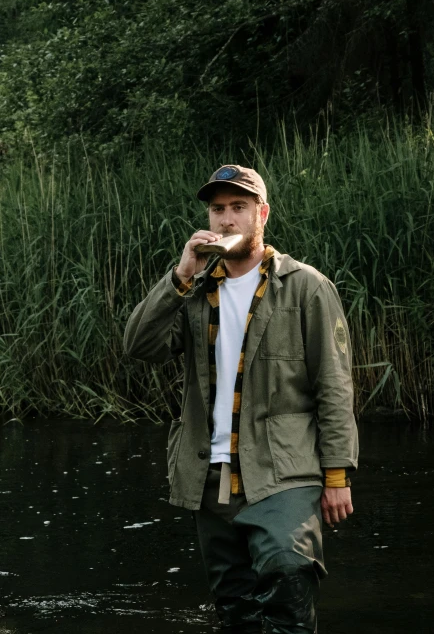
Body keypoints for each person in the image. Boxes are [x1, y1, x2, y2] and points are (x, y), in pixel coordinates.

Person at [123, 164, 359, 634]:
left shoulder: (306, 286)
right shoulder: (194, 291)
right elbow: (138, 346)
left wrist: (337, 476)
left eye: (238, 208)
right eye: (217, 210)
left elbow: (334, 386)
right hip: (209, 477)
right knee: (236, 610)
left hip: (283, 471)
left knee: (289, 577)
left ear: (262, 214)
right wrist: (181, 275)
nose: (226, 220)